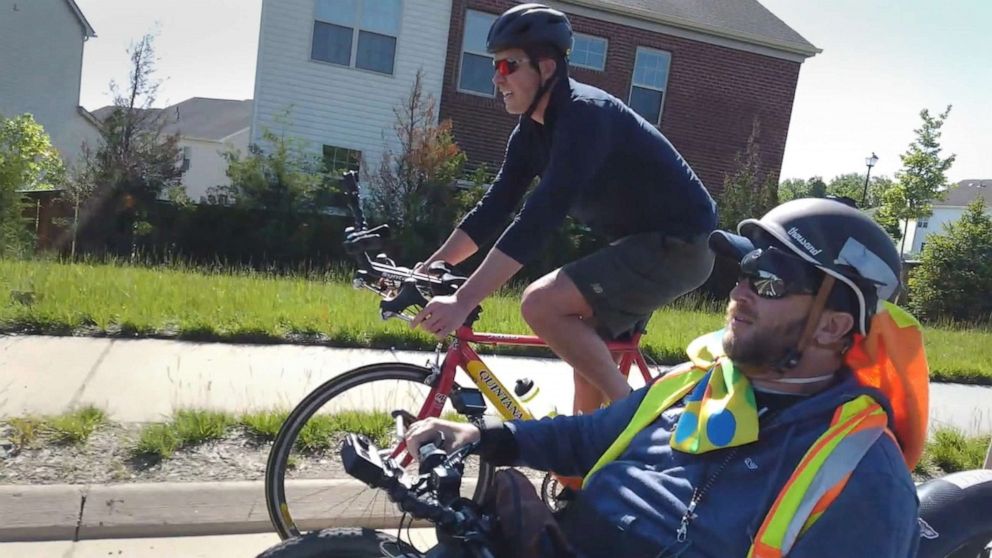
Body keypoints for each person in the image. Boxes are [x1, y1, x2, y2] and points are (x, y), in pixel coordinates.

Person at [406, 198, 930, 557]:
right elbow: (587, 437)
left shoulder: (864, 476)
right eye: (743, 273)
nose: (739, 294)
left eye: (769, 281)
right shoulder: (695, 383)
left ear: (834, 326)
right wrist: (482, 436)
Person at [410, 3, 717, 414]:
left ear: (547, 67)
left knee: (540, 303)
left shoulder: (584, 116)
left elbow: (540, 216)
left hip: (680, 243)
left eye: (508, 66)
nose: (497, 78)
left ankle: (632, 416)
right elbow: (496, 206)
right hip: (640, 243)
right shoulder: (530, 134)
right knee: (585, 356)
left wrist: (464, 299)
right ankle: (583, 471)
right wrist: (429, 268)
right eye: (494, 66)